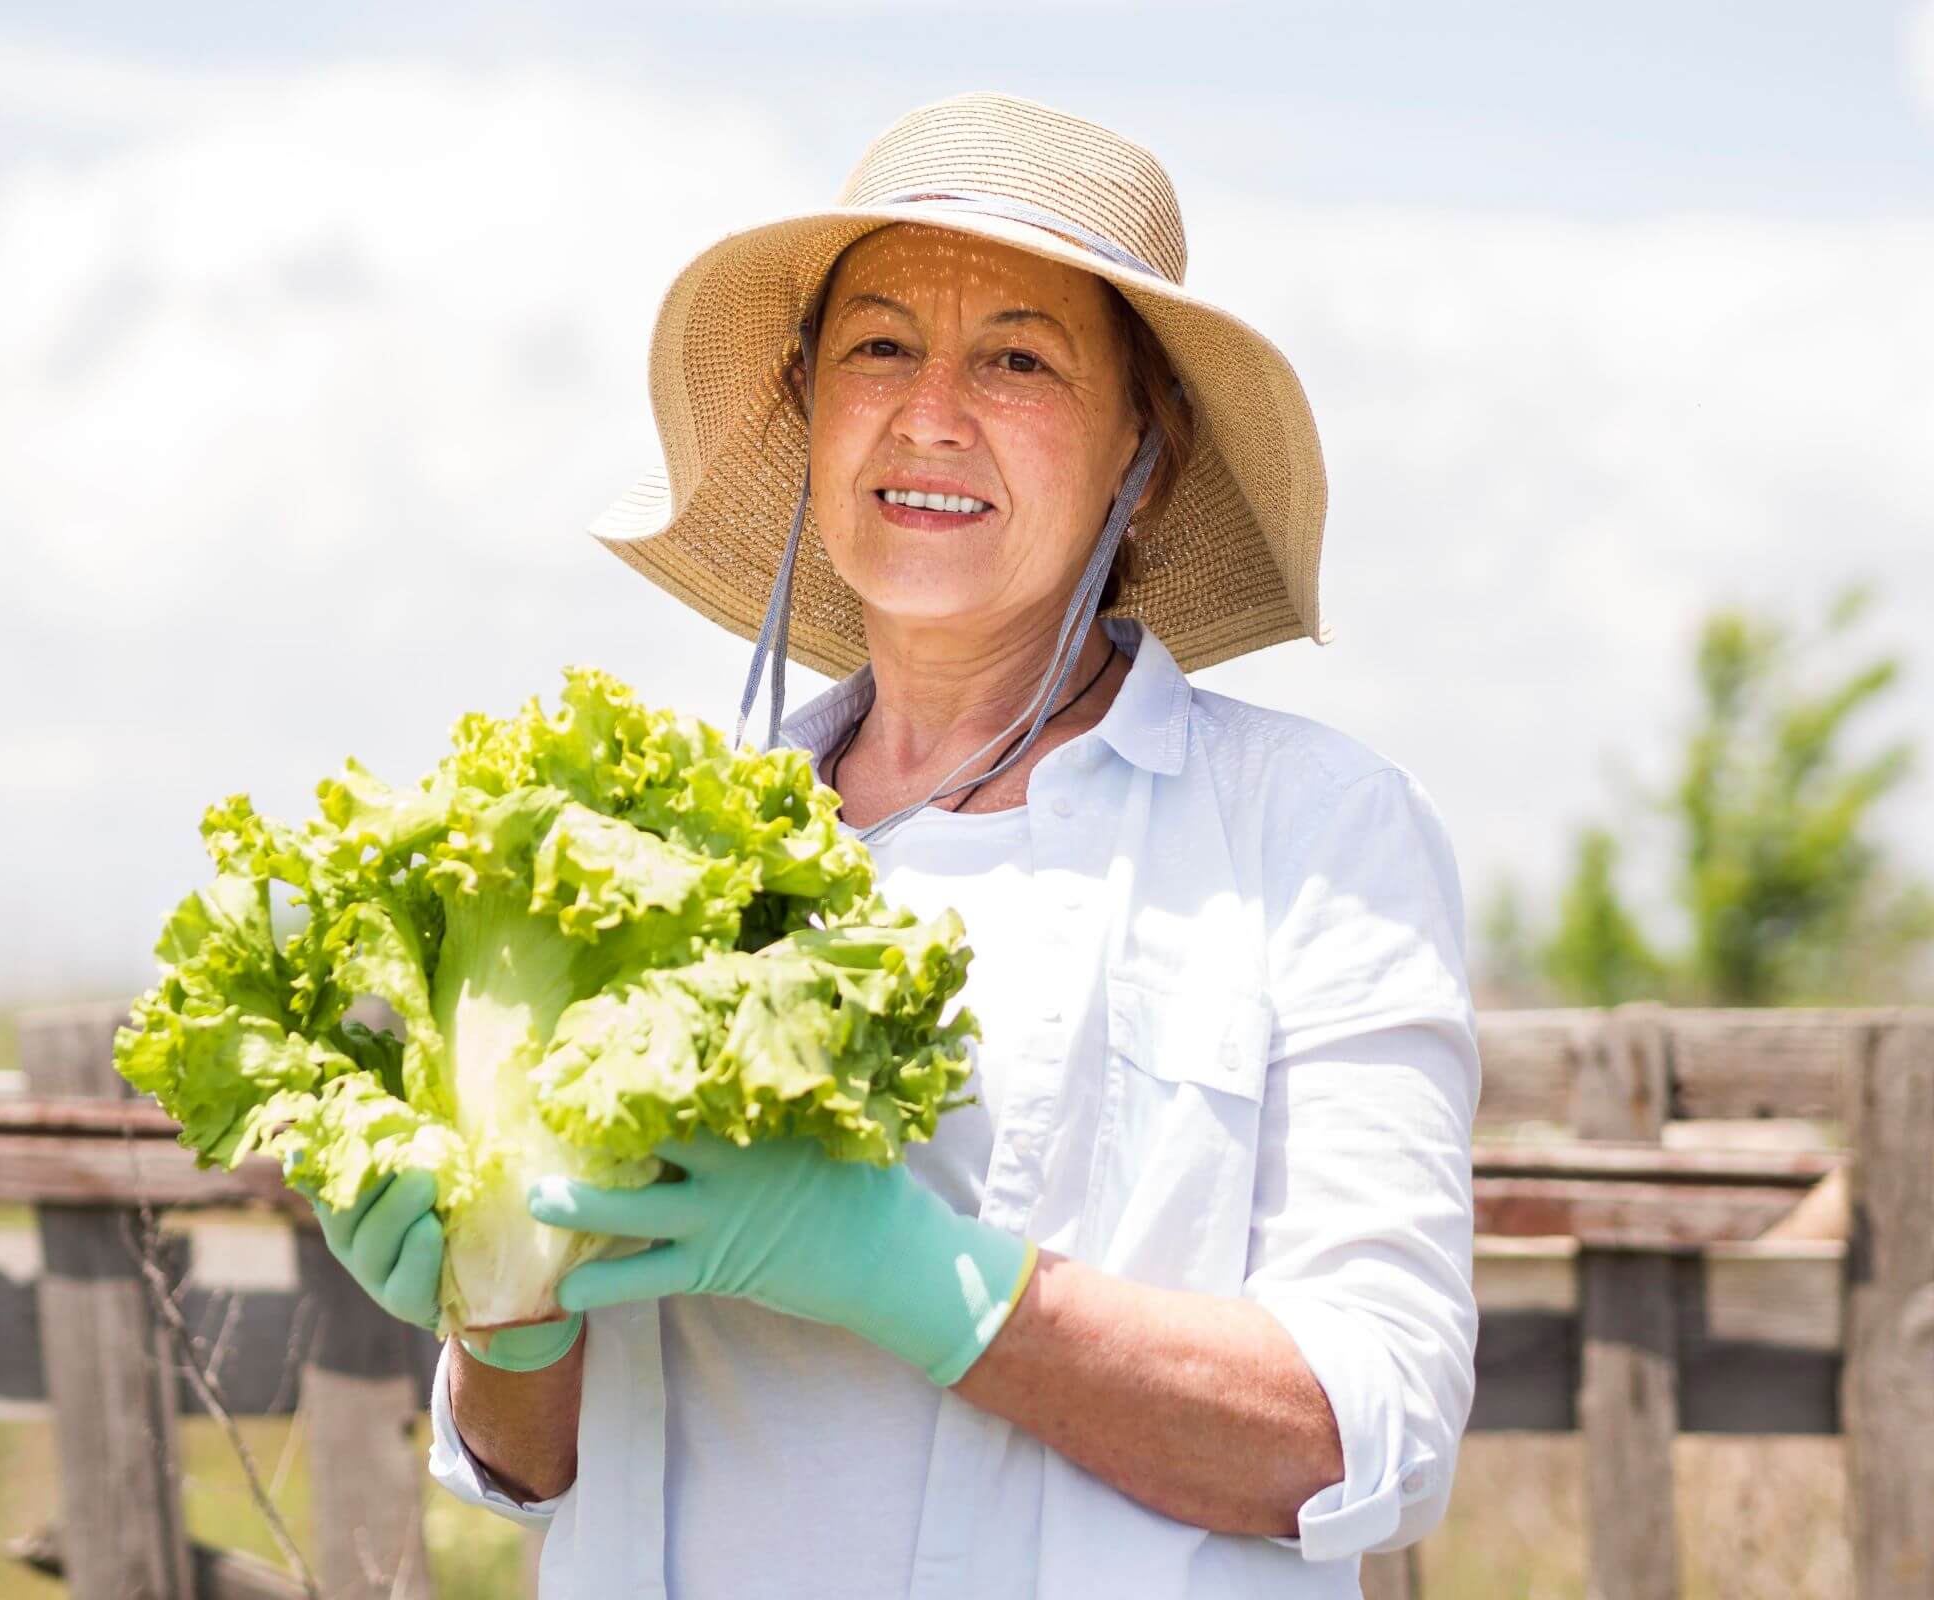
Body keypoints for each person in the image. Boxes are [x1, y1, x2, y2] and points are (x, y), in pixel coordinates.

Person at [304, 91, 1480, 1599]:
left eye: (1019, 357)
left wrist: (917, 1279)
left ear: (1149, 442)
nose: (932, 412)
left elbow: (1362, 1439)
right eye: (878, 346)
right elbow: (532, 1469)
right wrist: (500, 1310)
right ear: (807, 408)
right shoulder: (641, 846)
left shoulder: (1313, 833)